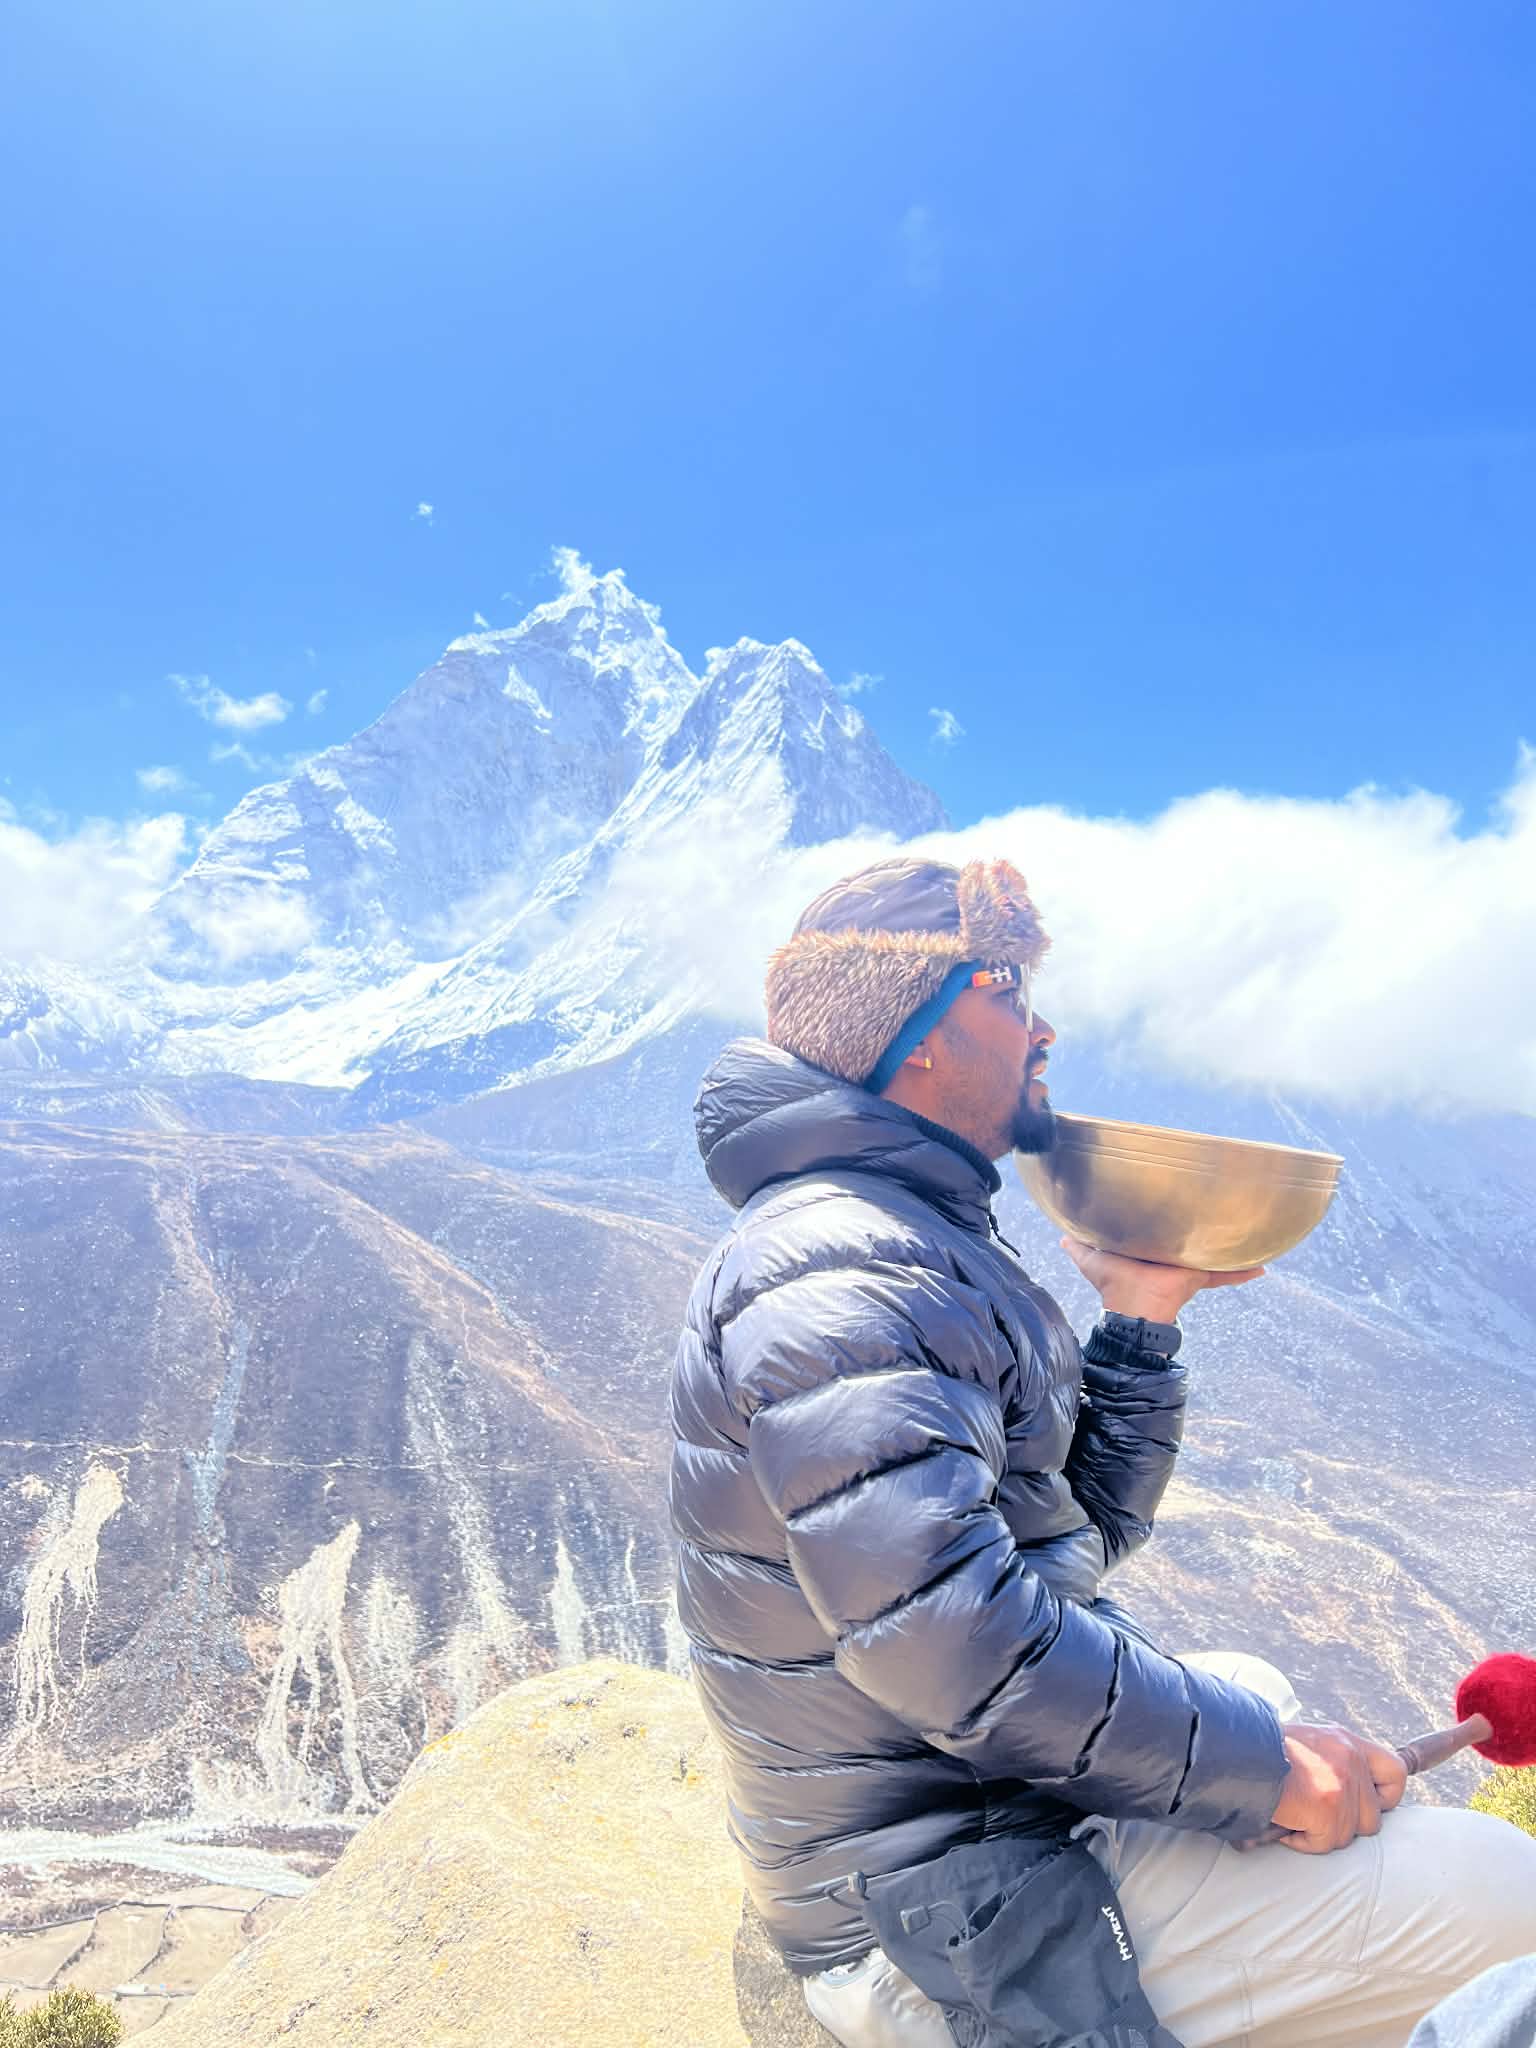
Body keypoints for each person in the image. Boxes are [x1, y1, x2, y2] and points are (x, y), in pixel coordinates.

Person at [668, 855, 1536, 2048]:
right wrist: (1271, 1776)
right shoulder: (849, 1272)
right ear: (916, 1036)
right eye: (1008, 988)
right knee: (1505, 1888)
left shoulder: (897, 1231)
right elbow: (952, 1644)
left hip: (944, 1800)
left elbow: (1070, 1536)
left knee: (1254, 1689)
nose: (1044, 1027)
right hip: (939, 1902)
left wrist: (1141, 1316)